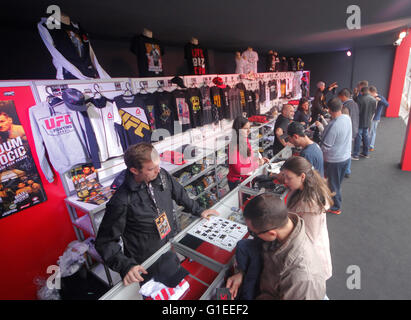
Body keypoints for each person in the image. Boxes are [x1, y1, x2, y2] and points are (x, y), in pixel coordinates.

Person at [95, 142, 219, 286]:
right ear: (134, 170)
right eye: (151, 168)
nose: (158, 170)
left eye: (158, 165)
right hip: (146, 262)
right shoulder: (121, 200)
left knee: (177, 287)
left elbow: (180, 194)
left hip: (168, 245)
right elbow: (105, 242)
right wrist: (125, 266)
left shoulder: (162, 175)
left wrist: (199, 210)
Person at [226, 193, 327, 300]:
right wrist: (241, 273)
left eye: (254, 232)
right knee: (244, 245)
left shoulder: (302, 278)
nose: (252, 235)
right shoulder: (283, 225)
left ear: (272, 233)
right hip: (265, 284)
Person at [280, 156, 333, 283]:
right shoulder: (303, 190)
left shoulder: (311, 205)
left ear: (302, 176)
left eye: (289, 177)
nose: (285, 181)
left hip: (311, 260)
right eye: (284, 176)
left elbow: (308, 238)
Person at [320, 98, 352, 215]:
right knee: (336, 183)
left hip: (334, 160)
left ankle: (336, 207)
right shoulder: (347, 118)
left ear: (329, 109)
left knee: (333, 185)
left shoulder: (334, 125)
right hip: (345, 158)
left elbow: (326, 146)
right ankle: (334, 201)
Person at [227, 116, 269, 190]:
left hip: (246, 179)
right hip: (237, 182)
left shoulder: (245, 139)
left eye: (249, 128)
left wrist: (259, 159)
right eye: (245, 129)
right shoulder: (233, 146)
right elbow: (239, 170)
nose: (249, 131)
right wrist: (257, 164)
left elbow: (248, 157)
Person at [338, 88, 359, 178]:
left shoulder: (346, 106)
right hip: (354, 129)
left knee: (345, 151)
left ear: (343, 96)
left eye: (340, 97)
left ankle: (346, 170)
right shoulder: (354, 103)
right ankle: (347, 170)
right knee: (348, 150)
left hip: (348, 131)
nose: (340, 99)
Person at [352, 87, 376, 160]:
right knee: (366, 136)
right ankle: (366, 153)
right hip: (368, 121)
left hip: (360, 121)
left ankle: (355, 155)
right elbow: (373, 111)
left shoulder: (360, 99)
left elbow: (357, 111)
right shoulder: (373, 99)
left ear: (361, 92)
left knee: (358, 137)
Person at [368, 86, 389, 151]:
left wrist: (380, 100)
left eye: (369, 93)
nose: (368, 94)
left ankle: (371, 146)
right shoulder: (370, 97)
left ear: (373, 92)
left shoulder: (380, 97)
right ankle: (367, 143)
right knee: (369, 131)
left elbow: (387, 104)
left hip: (375, 118)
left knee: (373, 131)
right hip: (369, 117)